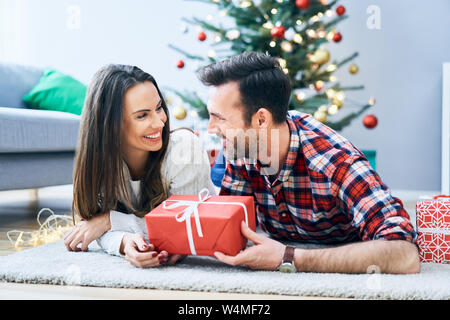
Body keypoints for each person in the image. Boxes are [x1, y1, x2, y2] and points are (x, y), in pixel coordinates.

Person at [198, 51, 420, 274]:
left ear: (261, 120)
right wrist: (177, 244)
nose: (210, 129)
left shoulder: (335, 162)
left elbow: (404, 253)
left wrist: (289, 257)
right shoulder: (243, 147)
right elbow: (226, 224)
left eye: (220, 118)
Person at [63, 64, 215, 268]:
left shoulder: (184, 147)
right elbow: (95, 228)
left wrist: (110, 221)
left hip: (212, 201)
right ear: (110, 125)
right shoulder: (102, 162)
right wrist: (124, 242)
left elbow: (186, 225)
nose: (160, 123)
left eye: (159, 108)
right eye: (142, 115)